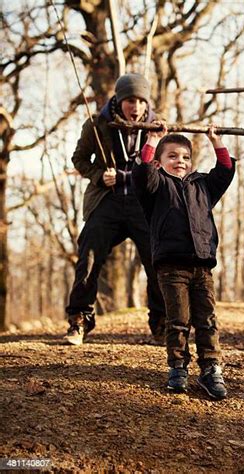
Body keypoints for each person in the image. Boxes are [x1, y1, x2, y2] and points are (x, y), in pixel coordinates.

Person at [132, 125, 235, 400]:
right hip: (171, 267)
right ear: (159, 162)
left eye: (185, 157)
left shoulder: (202, 185)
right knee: (178, 320)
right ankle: (177, 368)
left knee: (207, 320)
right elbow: (142, 175)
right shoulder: (156, 186)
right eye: (173, 157)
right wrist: (152, 140)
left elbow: (225, 171)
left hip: (202, 264)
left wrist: (216, 140)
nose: (180, 162)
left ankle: (210, 368)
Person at [64, 73, 166, 346]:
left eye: (140, 101)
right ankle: (79, 320)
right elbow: (79, 159)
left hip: (143, 204)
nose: (135, 107)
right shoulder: (97, 124)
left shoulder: (158, 127)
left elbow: (167, 164)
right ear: (119, 101)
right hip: (107, 200)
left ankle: (162, 323)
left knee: (158, 259)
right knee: (89, 255)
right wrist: (99, 176)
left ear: (147, 103)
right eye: (130, 100)